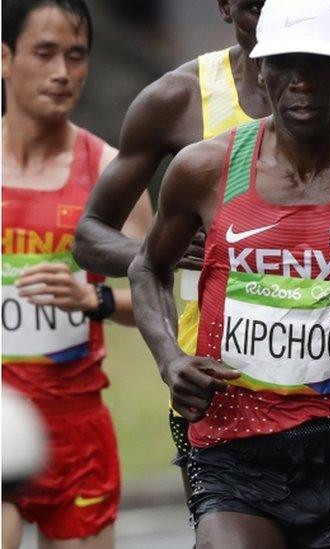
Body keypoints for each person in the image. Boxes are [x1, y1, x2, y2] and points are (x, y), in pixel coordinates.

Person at [127, 0, 330, 546]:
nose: (301, 82)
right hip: (232, 449)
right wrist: (170, 357)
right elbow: (147, 268)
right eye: (284, 64)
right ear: (260, 67)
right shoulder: (204, 168)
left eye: (320, 64)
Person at [0, 1, 152, 547]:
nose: (62, 72)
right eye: (44, 53)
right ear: (4, 59)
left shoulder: (109, 172)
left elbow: (165, 302)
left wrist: (97, 301)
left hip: (75, 433)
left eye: (76, 55)